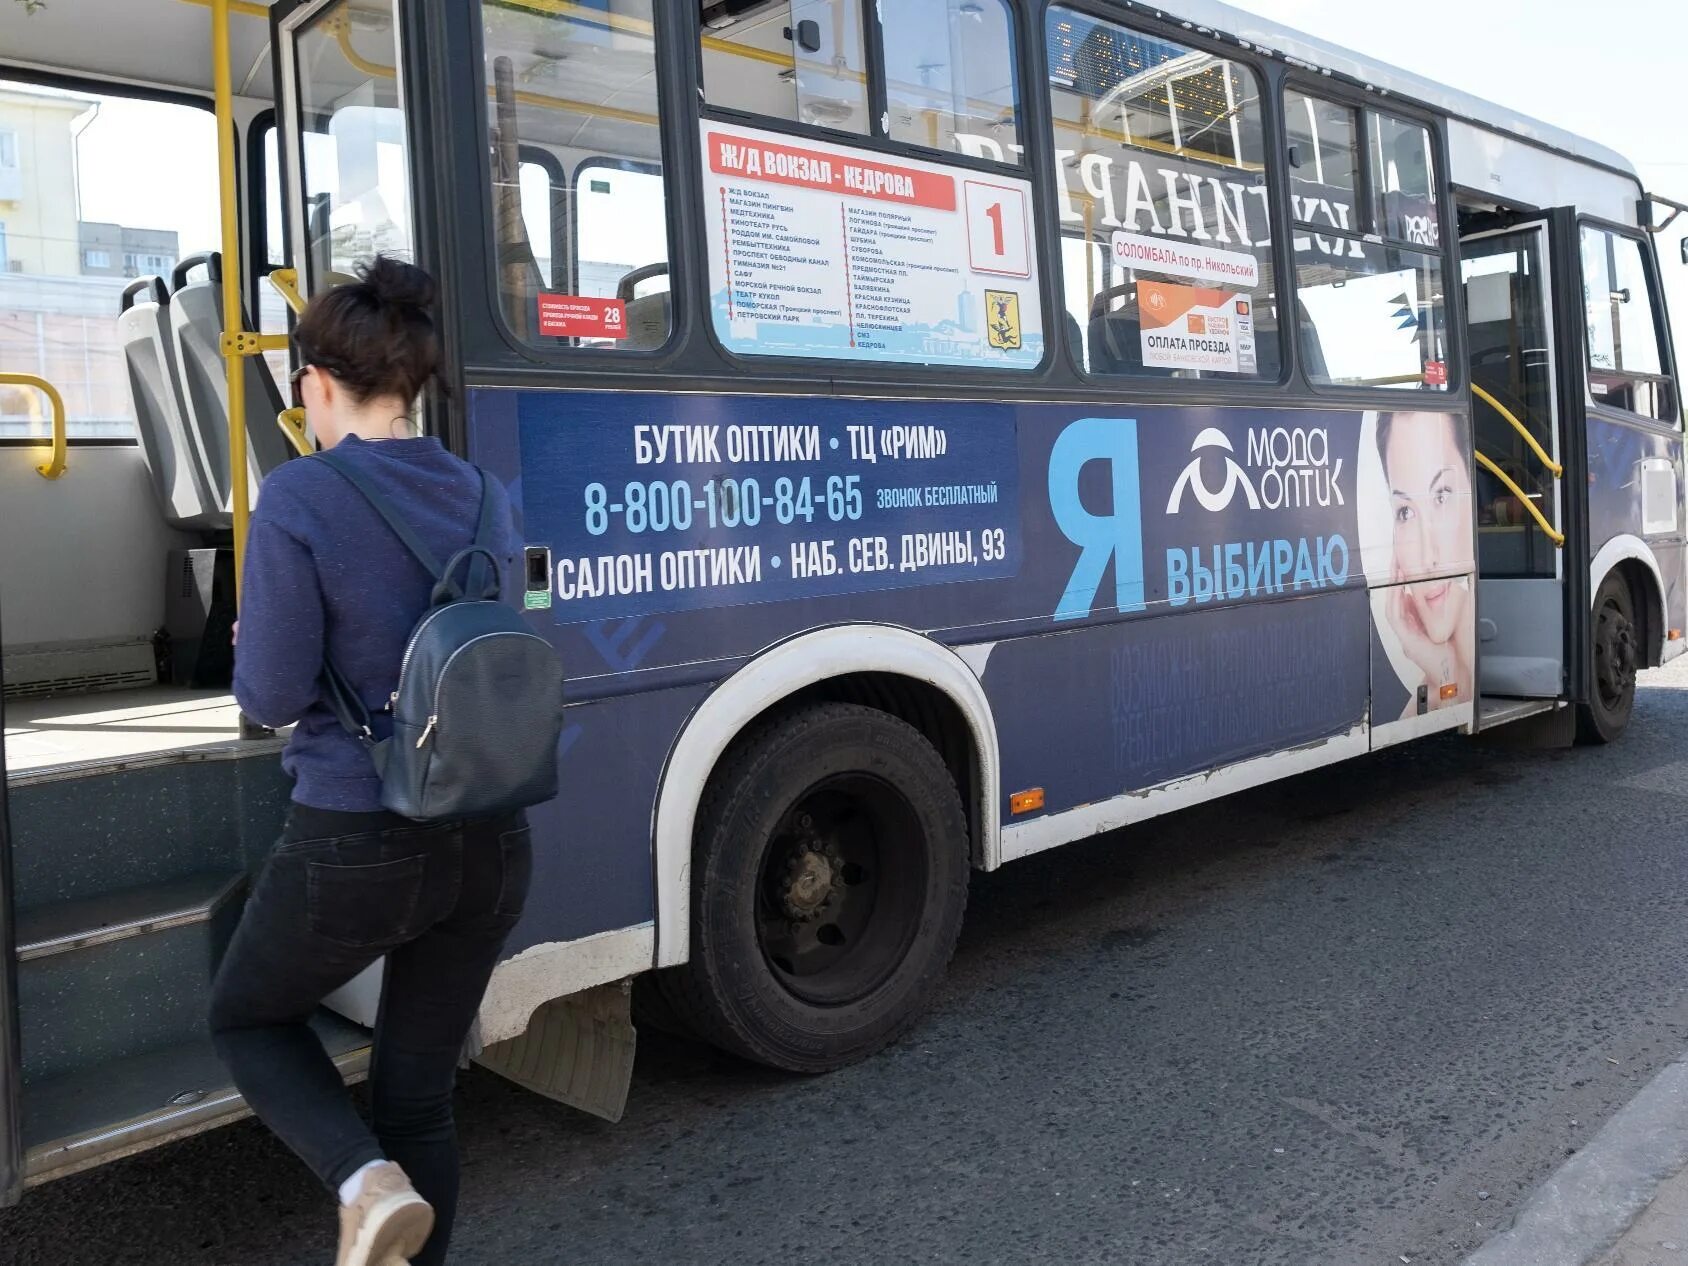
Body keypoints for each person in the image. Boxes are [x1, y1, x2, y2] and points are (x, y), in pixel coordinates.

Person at [208, 256, 530, 1266]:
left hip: (360, 838)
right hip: (489, 835)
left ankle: (361, 1181)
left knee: (247, 1017)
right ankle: (393, 1196)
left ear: (313, 383)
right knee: (417, 1094)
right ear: (415, 384)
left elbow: (266, 697)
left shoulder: (299, 497)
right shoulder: (484, 496)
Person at [1376, 410, 1475, 718]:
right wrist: (1445, 674)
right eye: (1405, 512)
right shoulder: (1413, 711)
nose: (1427, 556)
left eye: (1442, 496)